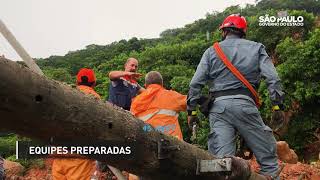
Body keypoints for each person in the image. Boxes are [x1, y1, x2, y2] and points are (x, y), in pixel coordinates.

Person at [187, 14, 285, 179]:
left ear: (224, 31)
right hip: (245, 106)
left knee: (221, 165)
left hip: (218, 109)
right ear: (243, 32)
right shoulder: (257, 48)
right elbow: (273, 78)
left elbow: (195, 84)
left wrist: (192, 113)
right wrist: (277, 106)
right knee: (269, 162)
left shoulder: (211, 51)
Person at [52, 68, 99, 180]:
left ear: (77, 82)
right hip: (80, 157)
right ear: (93, 83)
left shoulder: (64, 95)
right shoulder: (95, 99)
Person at [131, 71, 186, 140]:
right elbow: (191, 101)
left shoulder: (136, 101)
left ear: (145, 85)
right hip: (174, 144)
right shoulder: (171, 96)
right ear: (162, 84)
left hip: (147, 143)